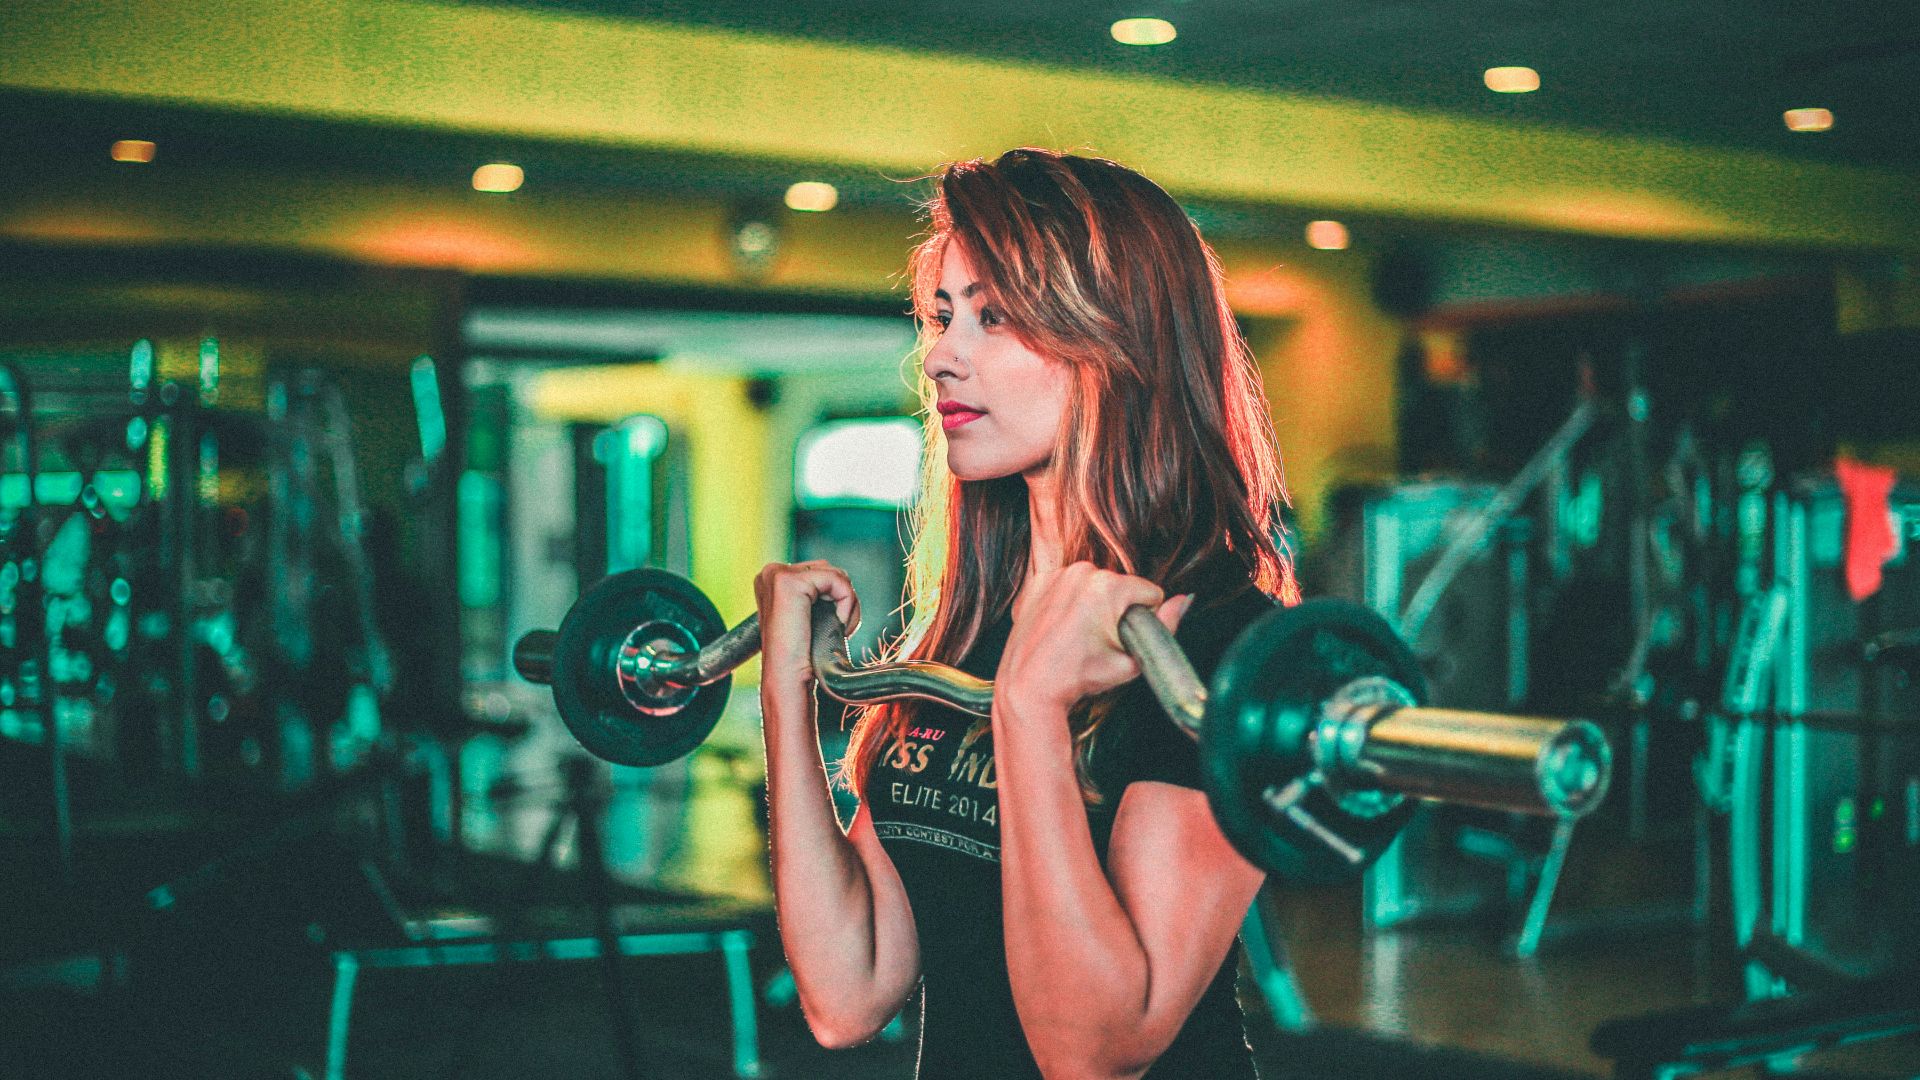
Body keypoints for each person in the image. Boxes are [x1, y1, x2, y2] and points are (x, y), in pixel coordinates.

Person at [755, 147, 1299, 1079]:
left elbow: (1095, 1050)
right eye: (941, 315)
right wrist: (784, 694)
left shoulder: (1215, 644)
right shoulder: (973, 627)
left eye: (993, 317)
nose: (938, 356)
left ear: (1114, 338)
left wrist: (1030, 714)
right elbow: (848, 994)